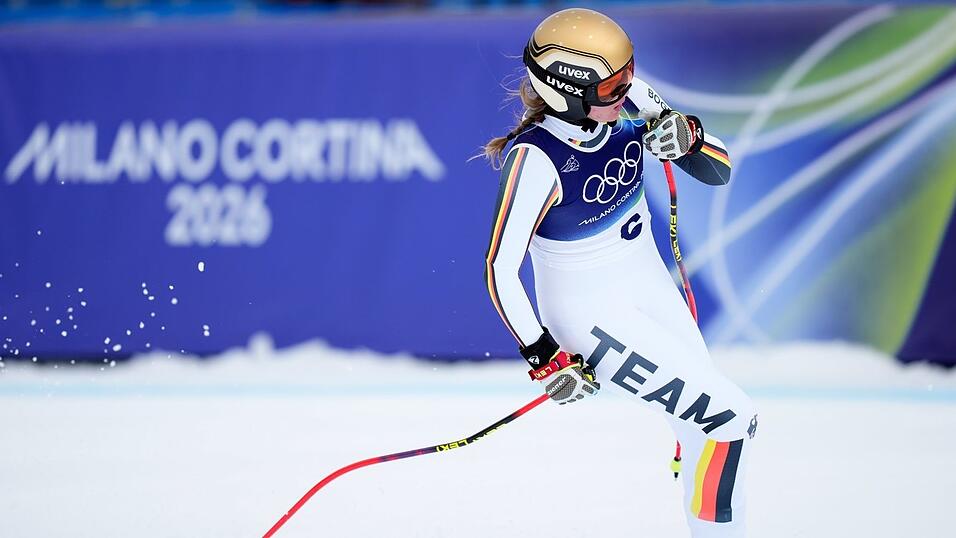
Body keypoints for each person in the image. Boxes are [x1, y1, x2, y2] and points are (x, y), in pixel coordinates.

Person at [482, 8, 756, 538]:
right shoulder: (536, 159)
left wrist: (689, 138)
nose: (626, 90)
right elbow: (499, 267)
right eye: (611, 85)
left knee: (705, 429)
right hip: (588, 310)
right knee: (728, 420)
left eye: (628, 73)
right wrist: (543, 356)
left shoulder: (624, 98)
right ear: (570, 91)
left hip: (644, 280)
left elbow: (718, 171)